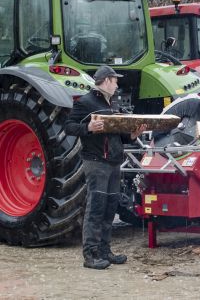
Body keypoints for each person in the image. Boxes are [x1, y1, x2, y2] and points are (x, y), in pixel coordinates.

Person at [64, 65, 146, 270]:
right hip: (96, 161)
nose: (117, 84)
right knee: (96, 207)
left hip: (114, 162)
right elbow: (69, 127)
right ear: (107, 81)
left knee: (110, 208)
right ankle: (90, 255)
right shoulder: (85, 102)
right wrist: (88, 128)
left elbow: (117, 135)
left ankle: (104, 251)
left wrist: (132, 136)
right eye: (115, 81)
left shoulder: (112, 105)